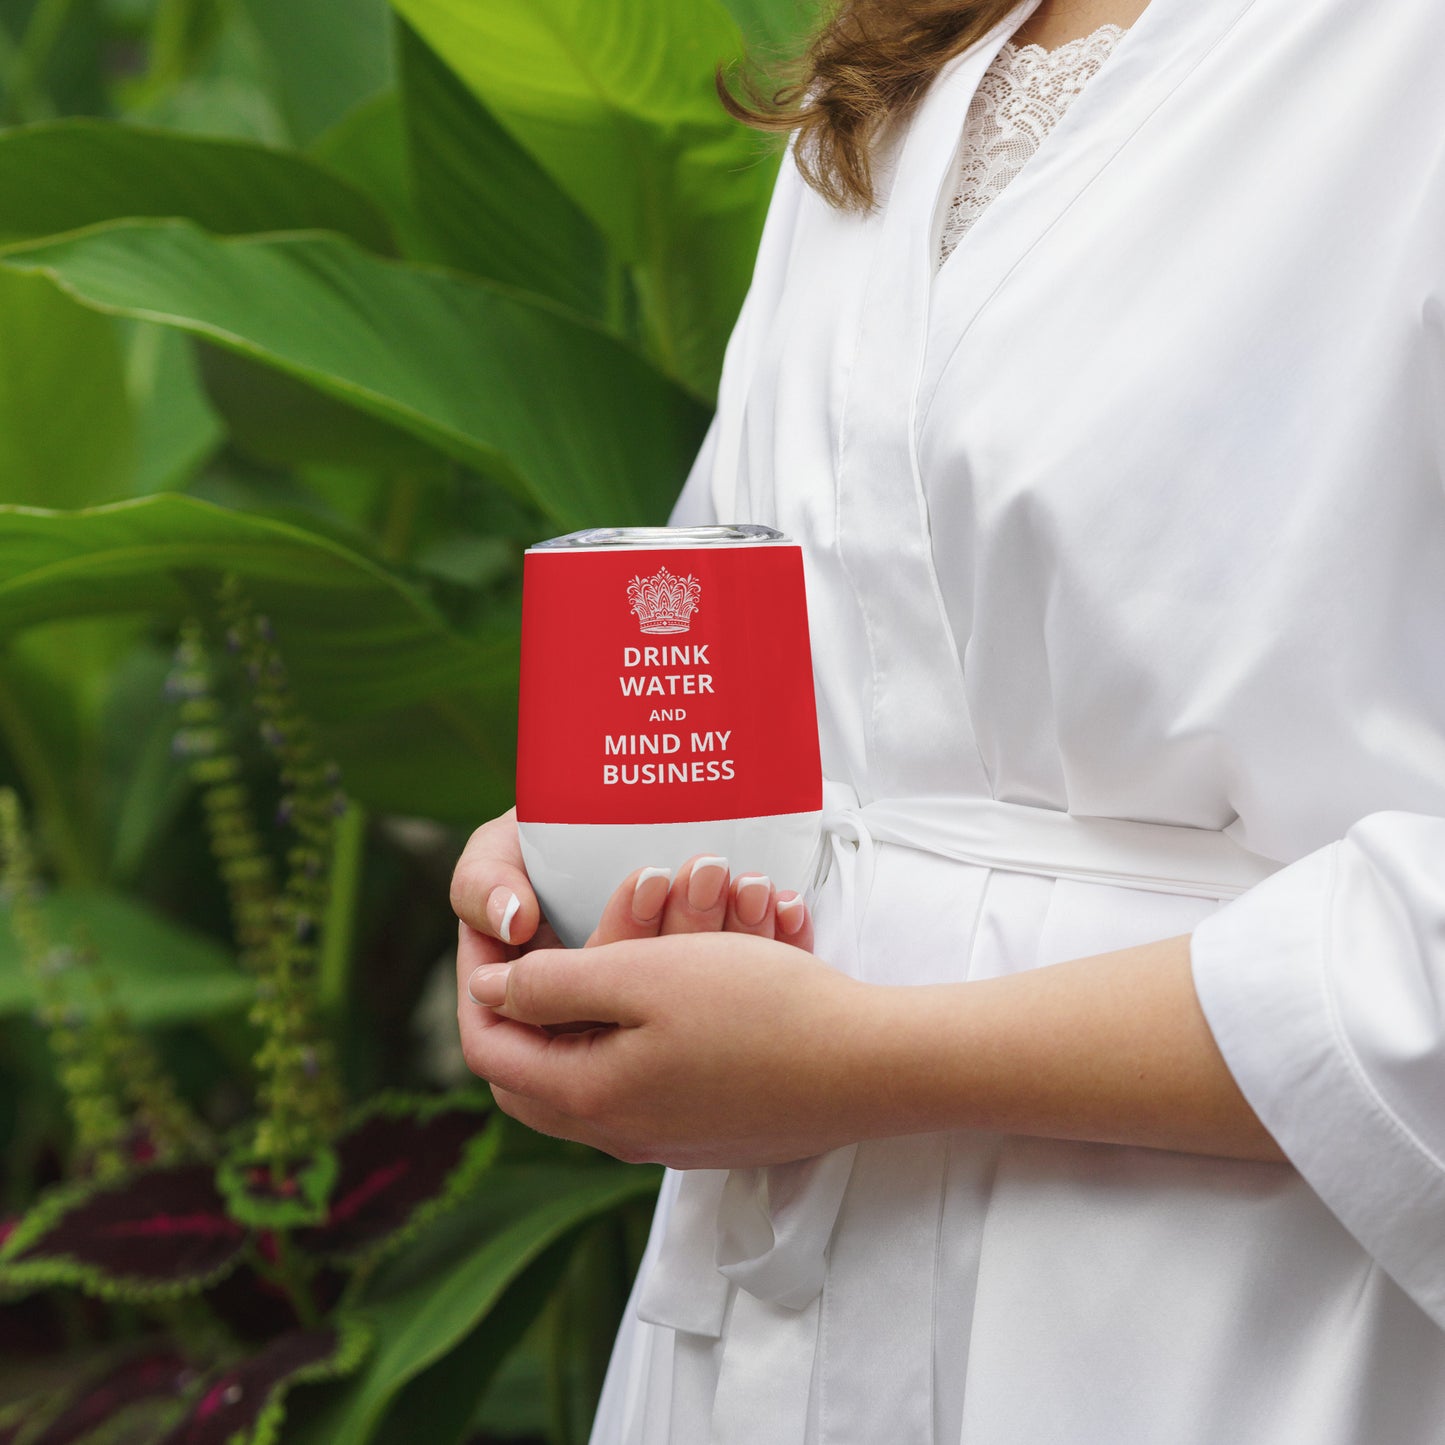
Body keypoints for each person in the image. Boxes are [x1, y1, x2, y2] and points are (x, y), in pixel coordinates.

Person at [451, 0, 1445, 1438]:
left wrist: (864, 1058)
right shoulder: (902, 56)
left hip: (1233, 1315)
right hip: (779, 1309)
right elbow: (803, 652)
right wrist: (585, 864)